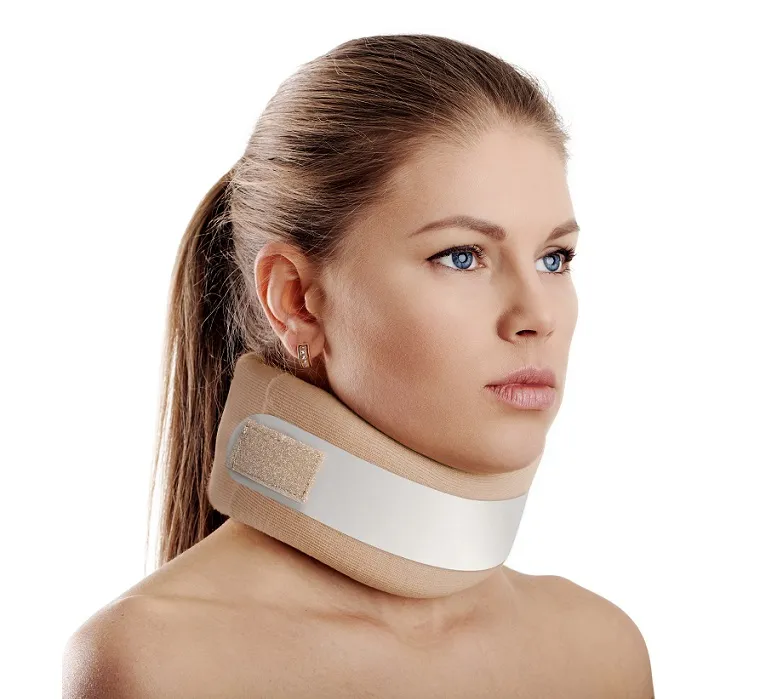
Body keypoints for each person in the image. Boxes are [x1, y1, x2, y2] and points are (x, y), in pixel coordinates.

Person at [64, 33, 654, 698]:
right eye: (461, 256)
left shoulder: (600, 650)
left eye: (554, 258)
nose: (536, 316)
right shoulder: (162, 659)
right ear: (295, 299)